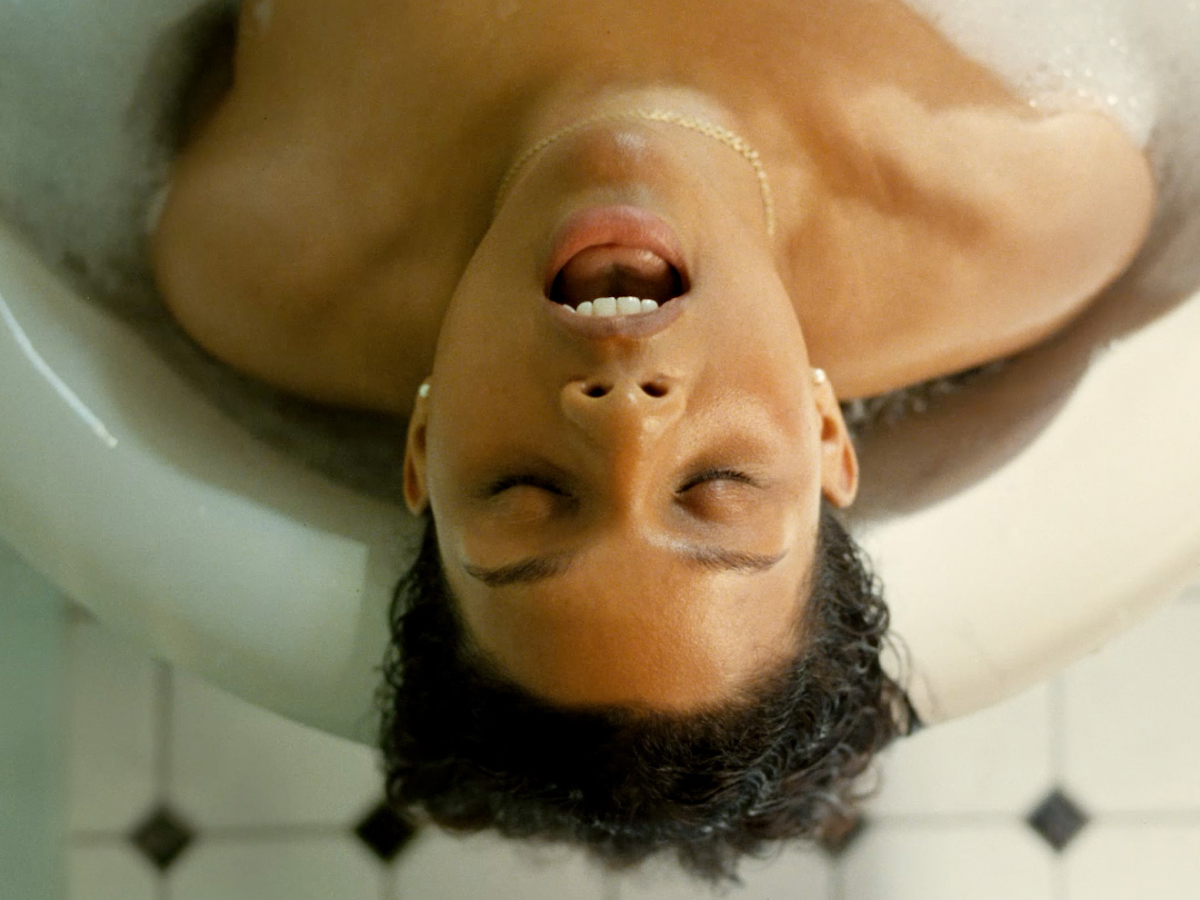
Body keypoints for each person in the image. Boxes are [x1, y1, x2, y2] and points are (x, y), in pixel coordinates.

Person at [148, 0, 1156, 881]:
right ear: (822, 430)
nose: (625, 417)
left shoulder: (258, 251)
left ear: (422, 445)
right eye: (714, 486)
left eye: (528, 493)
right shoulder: (1029, 204)